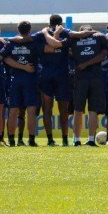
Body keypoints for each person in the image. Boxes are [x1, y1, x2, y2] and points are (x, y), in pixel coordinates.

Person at [56, 24, 108, 146]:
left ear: (80, 31)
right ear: (91, 30)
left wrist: (56, 32)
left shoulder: (74, 38)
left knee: (78, 110)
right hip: (96, 78)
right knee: (92, 110)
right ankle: (91, 139)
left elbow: (56, 44)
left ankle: (76, 140)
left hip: (80, 79)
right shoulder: (99, 36)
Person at [37, 15, 74, 147]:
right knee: (63, 109)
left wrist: (47, 33)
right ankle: (65, 139)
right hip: (62, 75)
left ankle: (50, 140)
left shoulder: (41, 34)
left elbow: (49, 46)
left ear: (49, 22)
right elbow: (56, 45)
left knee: (47, 109)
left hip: (45, 75)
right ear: (61, 23)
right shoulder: (67, 33)